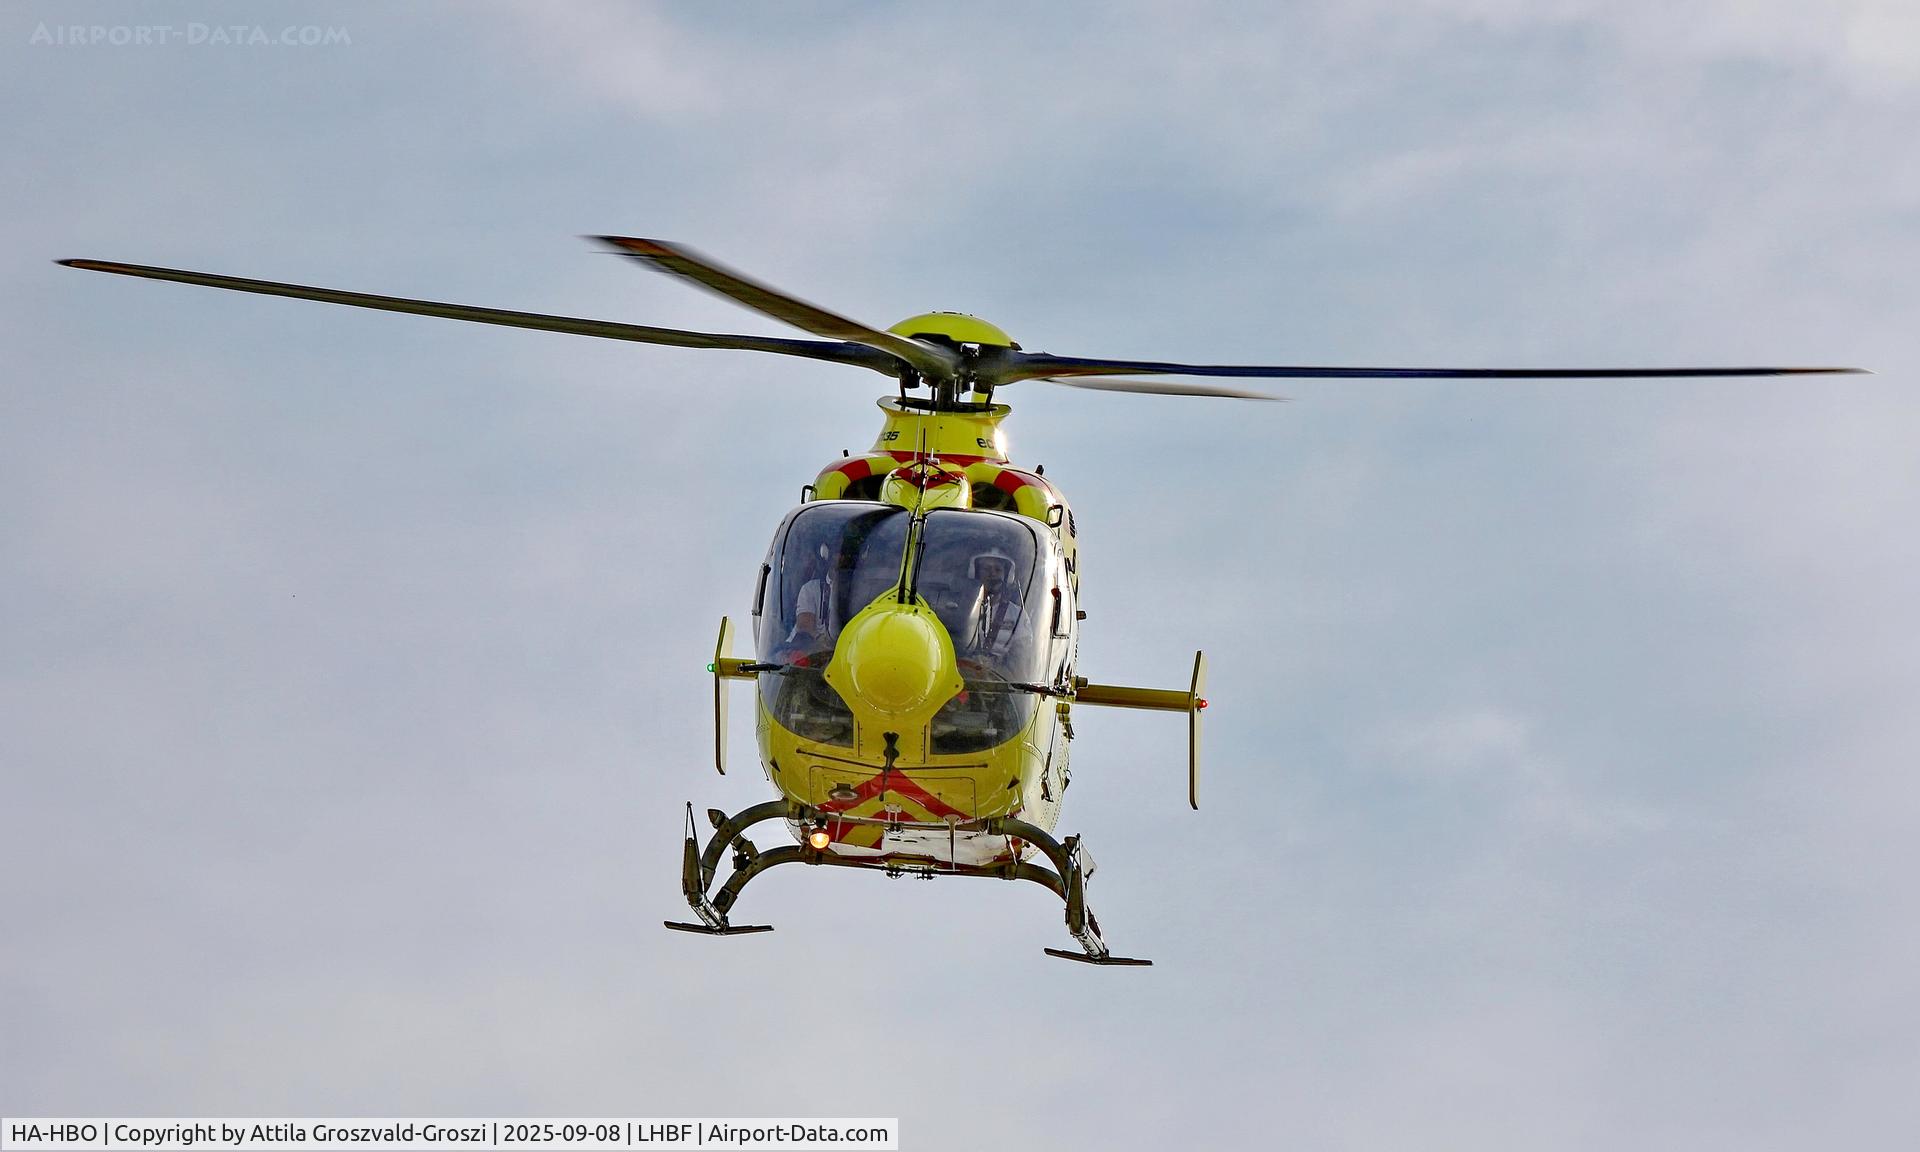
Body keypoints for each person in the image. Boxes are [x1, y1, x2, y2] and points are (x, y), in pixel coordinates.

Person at [967, 549, 1024, 663]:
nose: (992, 574)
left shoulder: (1017, 615)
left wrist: (999, 662)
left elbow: (1023, 653)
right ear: (977, 573)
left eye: (998, 570)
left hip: (1001, 672)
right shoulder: (965, 609)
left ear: (1006, 576)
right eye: (986, 569)